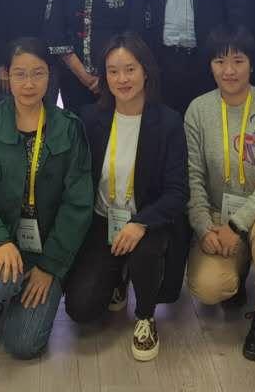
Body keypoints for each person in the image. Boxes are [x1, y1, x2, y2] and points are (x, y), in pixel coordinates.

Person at [0, 38, 92, 359]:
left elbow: (78, 203)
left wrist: (49, 266)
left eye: (38, 73)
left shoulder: (69, 129)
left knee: (23, 345)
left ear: (49, 76)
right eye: (20, 74)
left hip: (47, 251)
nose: (29, 84)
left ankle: (24, 290)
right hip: (1, 246)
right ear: (6, 75)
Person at [64, 35, 189, 361]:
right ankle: (118, 276)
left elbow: (177, 192)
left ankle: (145, 316)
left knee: (144, 251)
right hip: (102, 222)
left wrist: (141, 223)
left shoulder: (169, 122)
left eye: (130, 69)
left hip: (147, 221)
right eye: (113, 71)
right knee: (80, 309)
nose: (122, 79)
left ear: (146, 71)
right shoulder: (89, 118)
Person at [183, 31, 255, 362]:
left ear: (252, 64)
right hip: (217, 220)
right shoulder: (198, 110)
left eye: (238, 61)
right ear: (210, 65)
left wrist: (237, 225)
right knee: (209, 287)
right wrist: (203, 227)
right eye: (220, 61)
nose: (229, 70)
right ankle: (237, 269)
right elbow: (192, 177)